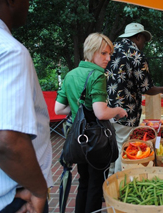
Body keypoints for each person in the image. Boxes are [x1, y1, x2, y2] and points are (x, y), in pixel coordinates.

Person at [0, 0, 53, 212]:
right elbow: (7, 141)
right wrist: (39, 190)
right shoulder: (7, 50)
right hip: (11, 201)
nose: (29, 4)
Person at [54, 33, 127, 213]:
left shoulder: (71, 74)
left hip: (78, 139)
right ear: (92, 52)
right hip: (96, 141)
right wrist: (118, 110)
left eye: (109, 54)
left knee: (84, 182)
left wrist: (79, 110)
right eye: (103, 53)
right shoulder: (97, 75)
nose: (108, 58)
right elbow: (101, 113)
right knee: (96, 185)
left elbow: (59, 109)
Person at [106, 22, 163, 174]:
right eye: (144, 40)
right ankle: (117, 182)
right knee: (122, 146)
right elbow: (147, 88)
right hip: (125, 111)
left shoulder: (108, 50)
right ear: (137, 37)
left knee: (110, 145)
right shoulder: (136, 54)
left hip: (104, 108)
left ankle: (108, 179)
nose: (144, 44)